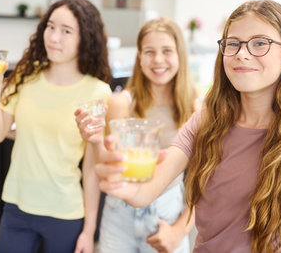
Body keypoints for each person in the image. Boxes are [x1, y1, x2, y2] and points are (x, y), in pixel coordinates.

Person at [94, 0, 281, 253]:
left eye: (260, 43)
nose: (242, 53)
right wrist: (121, 182)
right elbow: (144, 193)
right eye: (233, 43)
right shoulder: (205, 121)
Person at [0, 0, 112, 253]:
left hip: (65, 212)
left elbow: (92, 170)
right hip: (17, 206)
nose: (53, 37)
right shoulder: (26, 76)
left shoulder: (99, 92)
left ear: (86, 38)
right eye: (50, 26)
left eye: (66, 31)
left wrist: (89, 231)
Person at [76, 17, 198, 252]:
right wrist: (88, 230)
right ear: (139, 57)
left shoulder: (196, 109)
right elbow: (96, 166)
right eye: (149, 52)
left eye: (167, 51)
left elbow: (205, 181)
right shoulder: (120, 103)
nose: (158, 60)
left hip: (169, 213)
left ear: (180, 55)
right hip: (119, 213)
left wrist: (179, 231)